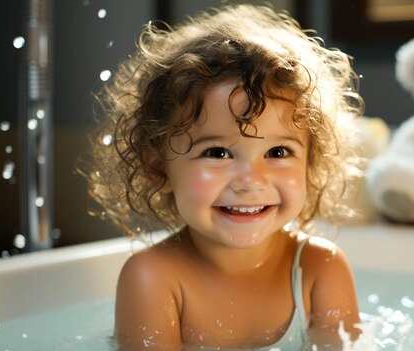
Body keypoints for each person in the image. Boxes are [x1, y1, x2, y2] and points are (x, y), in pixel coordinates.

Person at [87, 4, 364, 350]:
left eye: (278, 153)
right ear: (158, 168)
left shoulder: (319, 267)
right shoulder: (153, 277)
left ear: (309, 163)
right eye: (217, 153)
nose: (250, 180)